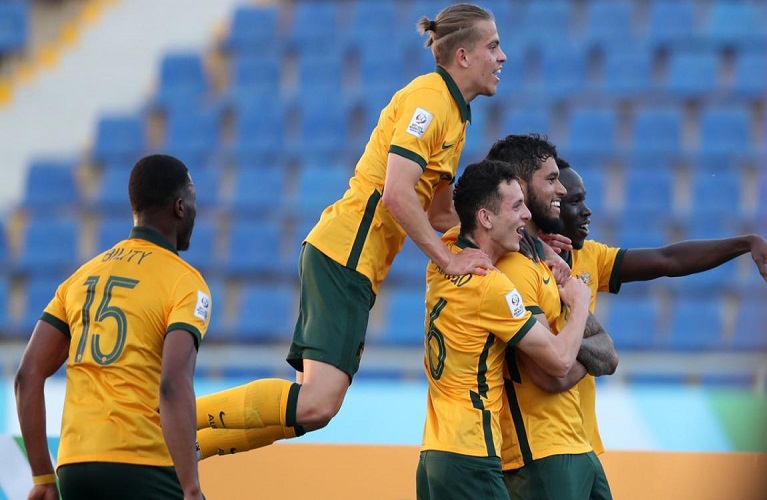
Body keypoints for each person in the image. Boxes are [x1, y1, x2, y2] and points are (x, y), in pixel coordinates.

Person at [193, 3, 509, 458]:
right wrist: (448, 260)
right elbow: (396, 193)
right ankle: (174, 418)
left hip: (345, 257)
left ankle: (182, 453)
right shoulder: (431, 100)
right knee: (318, 403)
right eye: (493, 46)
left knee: (306, 412)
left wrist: (512, 237)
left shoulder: (455, 117)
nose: (502, 56)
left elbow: (442, 215)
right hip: (346, 253)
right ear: (463, 55)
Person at [538, 156, 767, 458]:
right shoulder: (525, 266)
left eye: (585, 199)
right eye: (574, 202)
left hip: (583, 442)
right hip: (542, 443)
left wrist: (746, 243)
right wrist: (596, 355)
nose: (587, 210)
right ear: (549, 208)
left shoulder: (591, 258)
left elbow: (668, 260)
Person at [14, 154, 209, 500]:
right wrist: (191, 488)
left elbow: (27, 376)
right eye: (192, 199)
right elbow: (173, 385)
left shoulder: (81, 278)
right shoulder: (185, 283)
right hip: (141, 464)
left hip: (74, 467)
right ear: (180, 207)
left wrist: (43, 477)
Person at [417, 159, 591, 500]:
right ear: (485, 218)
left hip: (434, 455)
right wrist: (580, 301)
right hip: (472, 453)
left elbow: (444, 218)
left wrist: (541, 250)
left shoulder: (444, 258)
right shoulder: (491, 286)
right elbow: (559, 361)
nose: (526, 215)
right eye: (516, 207)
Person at [486, 135, 615, 500]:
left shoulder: (546, 264)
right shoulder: (512, 269)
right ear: (520, 186)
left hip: (577, 444)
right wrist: (580, 309)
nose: (560, 189)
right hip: (539, 454)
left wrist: (573, 348)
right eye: (552, 179)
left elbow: (608, 355)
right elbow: (551, 375)